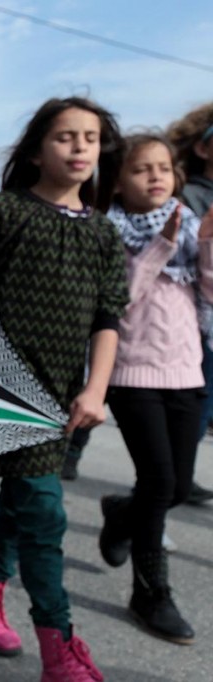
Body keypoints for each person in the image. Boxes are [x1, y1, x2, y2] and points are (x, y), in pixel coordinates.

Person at [0, 96, 129, 680]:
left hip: (66, 399)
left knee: (23, 503)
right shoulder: (3, 212)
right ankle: (61, 648)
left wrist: (96, 390)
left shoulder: (104, 235)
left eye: (91, 137)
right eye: (65, 137)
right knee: (46, 516)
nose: (81, 147)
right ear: (35, 149)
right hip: (6, 394)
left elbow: (109, 317)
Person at [96, 132, 213, 645]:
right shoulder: (111, 232)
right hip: (132, 375)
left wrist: (205, 245)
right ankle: (151, 592)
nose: (157, 176)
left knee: (179, 487)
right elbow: (121, 297)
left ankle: (122, 512)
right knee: (161, 480)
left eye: (164, 168)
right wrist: (162, 243)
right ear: (119, 182)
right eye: (143, 169)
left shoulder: (189, 227)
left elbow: (208, 294)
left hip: (188, 372)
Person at [168, 102, 213, 506]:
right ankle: (171, 482)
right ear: (203, 148)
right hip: (189, 319)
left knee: (200, 405)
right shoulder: (191, 197)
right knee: (188, 405)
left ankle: (178, 476)